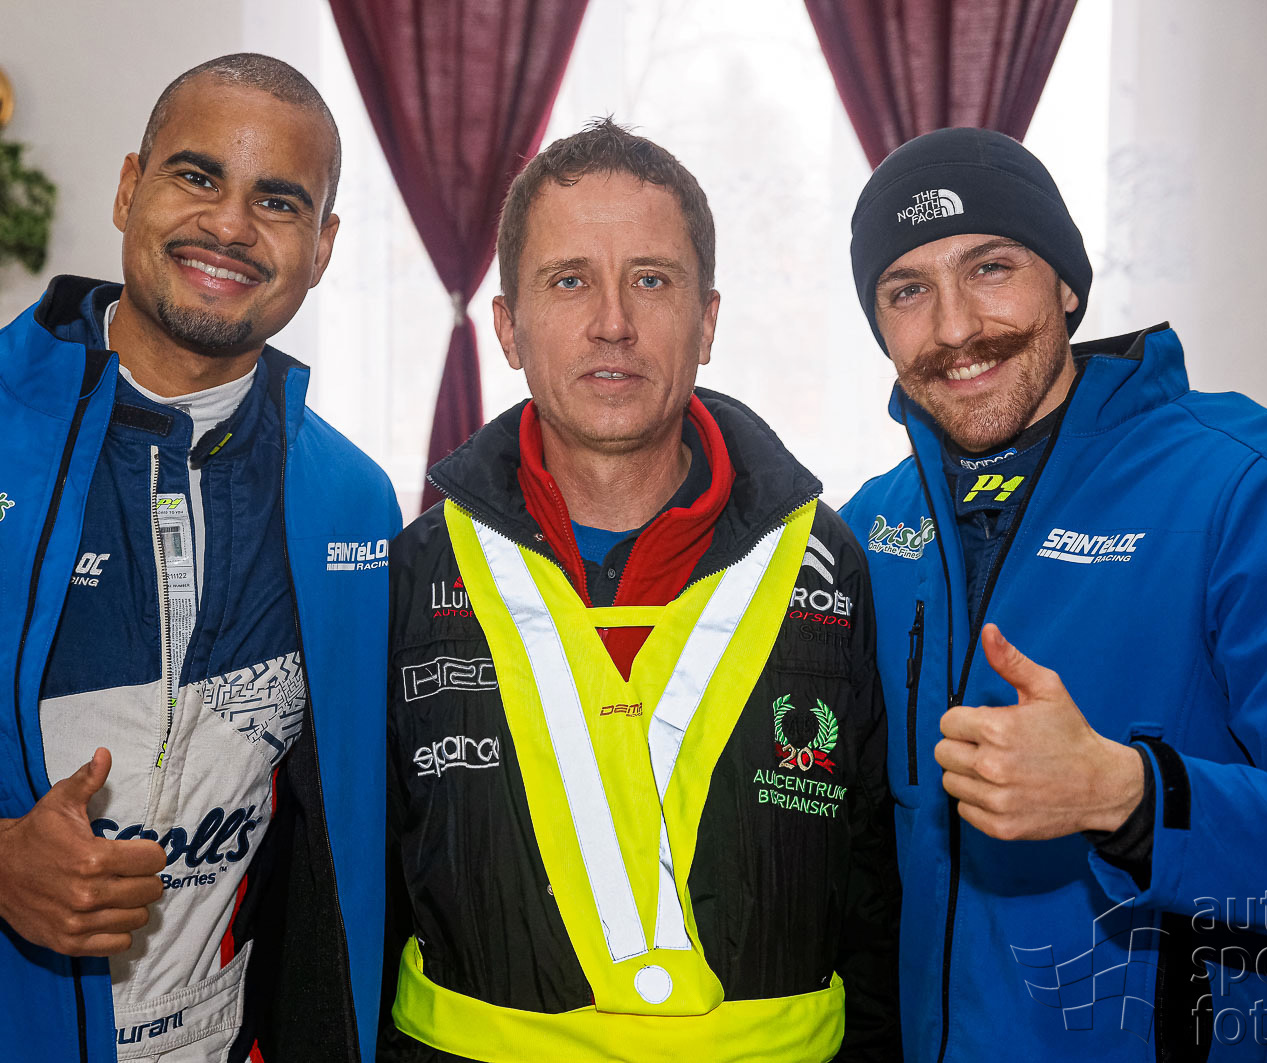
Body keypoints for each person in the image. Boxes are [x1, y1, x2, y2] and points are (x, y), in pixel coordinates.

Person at [0, 53, 398, 1062]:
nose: (230, 225)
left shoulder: (352, 501)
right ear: (127, 188)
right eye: (196, 175)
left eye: (278, 201)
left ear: (321, 247)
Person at [379, 119, 900, 1063]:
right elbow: (364, 890)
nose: (612, 321)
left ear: (706, 321)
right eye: (568, 280)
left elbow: (875, 891)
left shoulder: (826, 562)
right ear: (508, 327)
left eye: (651, 280)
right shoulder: (413, 570)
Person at [839, 126, 1267, 1062]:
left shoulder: (1237, 483)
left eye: (989, 267)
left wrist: (1132, 797)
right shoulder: (870, 526)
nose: (954, 327)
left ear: (1066, 285)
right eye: (907, 290)